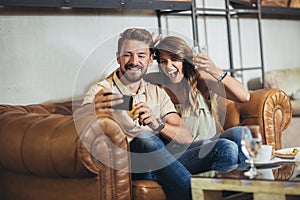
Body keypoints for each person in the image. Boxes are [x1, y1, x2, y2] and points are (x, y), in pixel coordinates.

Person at [80, 28, 242, 200]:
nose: (134, 61)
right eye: (127, 54)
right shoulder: (102, 90)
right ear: (118, 57)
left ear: (150, 60)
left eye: (141, 55)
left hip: (164, 162)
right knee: (145, 138)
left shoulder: (156, 91)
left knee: (226, 147)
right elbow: (79, 121)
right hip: (133, 163)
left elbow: (186, 137)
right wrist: (92, 110)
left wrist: (158, 124)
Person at [145, 35, 251, 170]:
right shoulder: (156, 82)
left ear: (185, 60)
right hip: (179, 153)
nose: (168, 66)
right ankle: (224, 189)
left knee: (241, 133)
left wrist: (215, 70)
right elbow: (126, 77)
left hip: (211, 144)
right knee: (225, 146)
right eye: (163, 61)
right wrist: (146, 55)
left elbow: (244, 96)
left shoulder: (199, 81)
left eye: (174, 59)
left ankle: (248, 182)